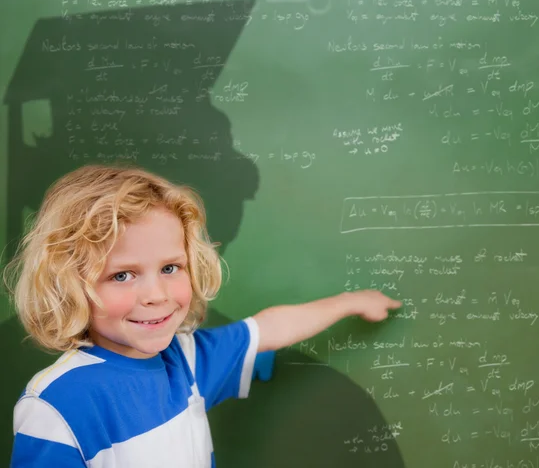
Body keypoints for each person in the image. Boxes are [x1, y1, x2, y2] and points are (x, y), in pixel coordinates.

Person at [5, 164, 402, 468]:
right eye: (122, 275)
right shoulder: (55, 404)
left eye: (170, 268)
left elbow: (271, 328)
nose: (156, 295)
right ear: (70, 284)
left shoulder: (187, 359)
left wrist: (349, 302)